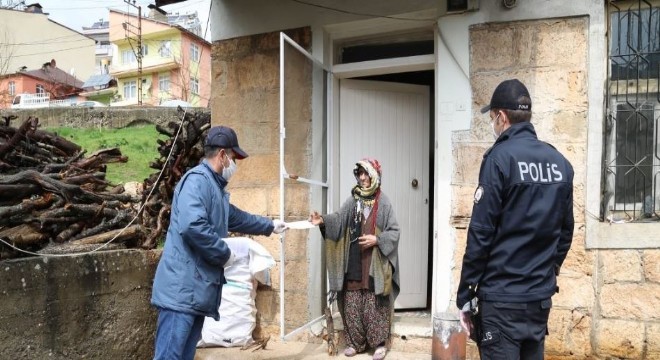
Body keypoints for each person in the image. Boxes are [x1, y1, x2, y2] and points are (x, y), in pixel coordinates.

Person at [456, 79, 574, 359]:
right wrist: (549, 269)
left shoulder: (499, 159)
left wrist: (465, 293)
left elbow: (481, 234)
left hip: (502, 300)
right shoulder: (560, 163)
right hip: (538, 300)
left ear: (502, 117)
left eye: (493, 117)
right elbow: (566, 231)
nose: (493, 124)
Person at [150, 125, 288, 360]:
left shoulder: (214, 188)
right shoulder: (197, 182)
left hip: (194, 291)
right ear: (223, 155)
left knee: (183, 356)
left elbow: (237, 217)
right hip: (181, 291)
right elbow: (193, 227)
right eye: (234, 157)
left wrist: (269, 225)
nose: (235, 164)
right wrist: (224, 253)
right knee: (169, 357)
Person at [309, 158, 400, 360]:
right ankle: (355, 343)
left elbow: (394, 231)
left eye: (366, 173)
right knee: (352, 302)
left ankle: (379, 344)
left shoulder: (383, 203)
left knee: (375, 304)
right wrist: (322, 220)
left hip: (374, 262)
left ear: (374, 175)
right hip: (354, 261)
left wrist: (377, 239)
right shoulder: (353, 200)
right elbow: (340, 219)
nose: (362, 178)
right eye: (359, 173)